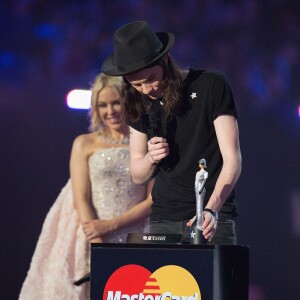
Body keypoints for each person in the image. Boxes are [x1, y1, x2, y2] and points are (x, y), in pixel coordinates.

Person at [101, 21, 242, 245]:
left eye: (150, 79)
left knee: (213, 280)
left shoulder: (211, 85)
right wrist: (150, 158)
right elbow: (137, 174)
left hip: (211, 218)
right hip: (163, 219)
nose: (147, 89)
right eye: (137, 84)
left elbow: (232, 160)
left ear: (165, 60)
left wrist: (211, 210)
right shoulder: (137, 102)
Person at [19, 73, 153, 300]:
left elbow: (153, 200)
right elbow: (80, 196)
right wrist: (98, 242)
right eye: (102, 105)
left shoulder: (147, 143)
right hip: (90, 235)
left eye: (115, 102)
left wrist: (110, 226)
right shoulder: (84, 143)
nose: (110, 111)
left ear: (128, 101)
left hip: (134, 235)